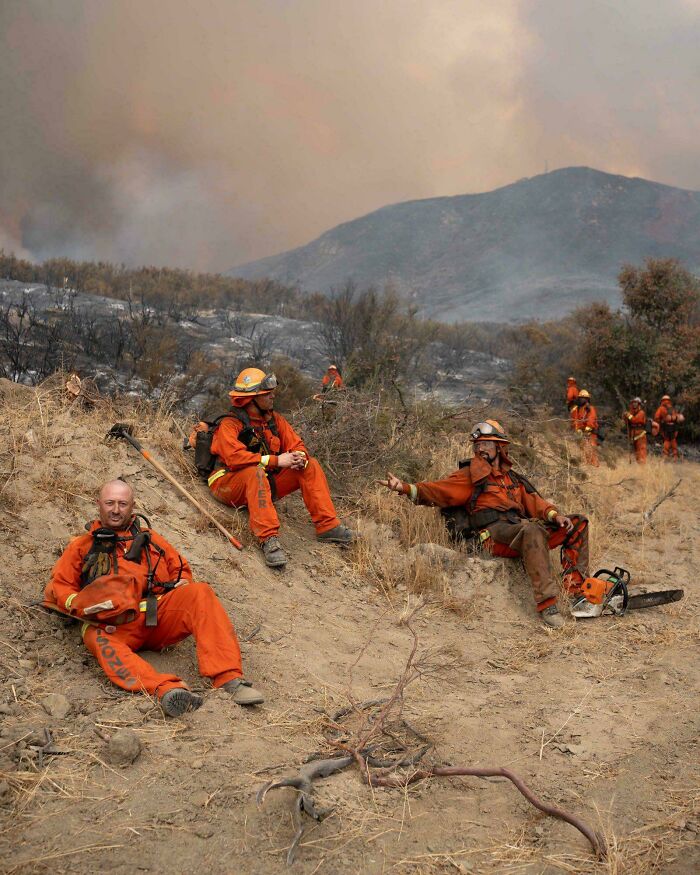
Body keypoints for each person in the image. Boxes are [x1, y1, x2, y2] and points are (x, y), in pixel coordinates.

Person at [44, 480, 264, 717]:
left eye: (122, 504)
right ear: (99, 505)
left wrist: (183, 584)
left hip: (155, 617)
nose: (116, 509)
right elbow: (60, 586)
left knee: (200, 592)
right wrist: (80, 605)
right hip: (110, 626)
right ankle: (167, 690)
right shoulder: (81, 546)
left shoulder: (152, 539)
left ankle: (228, 678)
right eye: (109, 503)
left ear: (132, 507)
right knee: (96, 638)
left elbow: (181, 570)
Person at [378, 420, 589, 629]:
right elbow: (439, 490)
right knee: (532, 529)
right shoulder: (471, 475)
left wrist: (555, 516)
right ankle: (548, 606)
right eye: (477, 444)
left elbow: (536, 503)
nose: (480, 448)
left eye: (486, 443)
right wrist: (404, 488)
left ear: (499, 447)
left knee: (577, 523)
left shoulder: (513, 479)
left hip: (521, 532)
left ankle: (576, 591)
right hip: (493, 536)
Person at [207, 368, 354, 567]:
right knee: (254, 472)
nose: (272, 395)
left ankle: (328, 526)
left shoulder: (274, 420)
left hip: (261, 483)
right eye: (267, 393)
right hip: (226, 484)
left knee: (311, 465)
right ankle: (268, 539)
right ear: (251, 399)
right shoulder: (230, 424)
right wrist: (276, 461)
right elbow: (234, 458)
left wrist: (299, 457)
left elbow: (297, 444)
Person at [571, 389, 599, 466]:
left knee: (591, 451)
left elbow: (591, 420)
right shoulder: (576, 409)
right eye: (581, 398)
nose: (582, 399)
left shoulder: (590, 408)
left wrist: (587, 430)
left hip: (590, 434)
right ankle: (588, 468)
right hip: (581, 434)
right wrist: (578, 430)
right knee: (584, 452)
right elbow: (575, 421)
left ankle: (595, 467)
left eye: (584, 398)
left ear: (587, 399)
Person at [653, 394, 682, 460]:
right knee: (673, 440)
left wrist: (661, 421)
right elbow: (676, 418)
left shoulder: (661, 408)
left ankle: (665, 455)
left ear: (662, 401)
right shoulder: (672, 408)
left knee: (666, 440)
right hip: (673, 427)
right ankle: (675, 455)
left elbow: (656, 418)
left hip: (666, 427)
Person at [623, 397, 647, 464]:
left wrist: (628, 415)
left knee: (641, 451)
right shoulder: (631, 412)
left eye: (635, 403)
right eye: (633, 403)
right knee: (636, 452)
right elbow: (628, 422)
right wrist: (625, 416)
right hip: (633, 435)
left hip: (640, 435)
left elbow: (635, 420)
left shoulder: (641, 413)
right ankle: (639, 466)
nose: (634, 404)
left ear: (639, 404)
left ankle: (643, 467)